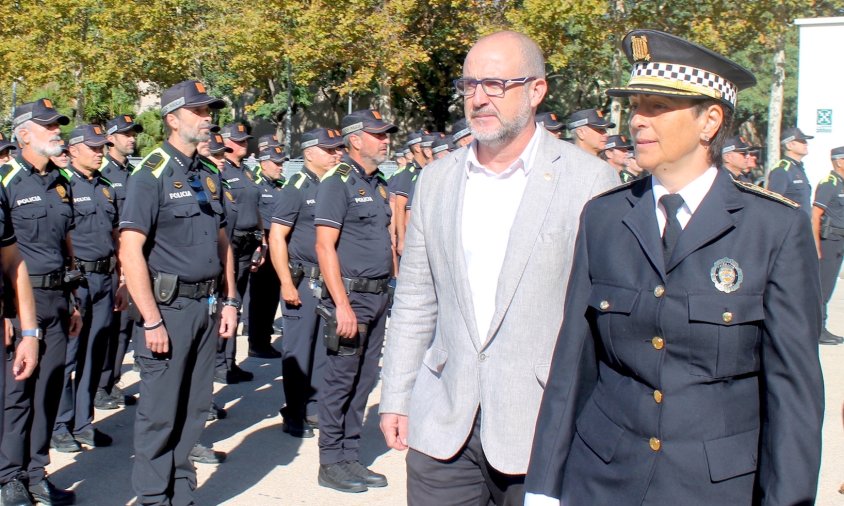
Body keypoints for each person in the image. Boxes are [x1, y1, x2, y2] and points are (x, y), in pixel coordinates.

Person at [525, 29, 823, 506]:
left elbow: (794, 394)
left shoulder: (773, 228)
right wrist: (543, 487)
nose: (638, 120)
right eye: (637, 105)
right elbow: (574, 365)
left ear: (710, 121)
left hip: (713, 488)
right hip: (603, 479)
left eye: (658, 107)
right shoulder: (604, 217)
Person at [379, 31, 617, 506]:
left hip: (540, 427)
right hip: (443, 422)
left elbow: (603, 317)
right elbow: (415, 298)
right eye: (469, 85)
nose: (478, 98)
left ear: (536, 90)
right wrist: (397, 396)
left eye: (494, 84)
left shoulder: (589, 181)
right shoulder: (438, 179)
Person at [119, 80, 238, 506]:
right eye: (200, 111)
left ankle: (181, 493)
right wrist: (150, 318)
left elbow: (222, 243)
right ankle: (153, 497)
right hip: (167, 311)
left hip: (206, 307)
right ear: (173, 119)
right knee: (160, 415)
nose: (209, 119)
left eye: (210, 111)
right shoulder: (150, 173)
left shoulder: (207, 174)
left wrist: (230, 300)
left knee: (193, 409)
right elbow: (130, 250)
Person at [0, 99, 82, 506]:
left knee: (48, 391)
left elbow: (65, 247)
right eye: (48, 125)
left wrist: (75, 301)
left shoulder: (62, 181)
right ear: (24, 134)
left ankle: (35, 473)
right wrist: (6, 312)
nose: (57, 131)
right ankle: (7, 478)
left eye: (58, 125)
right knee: (16, 395)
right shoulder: (7, 180)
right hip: (18, 304)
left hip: (56, 300)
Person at [314, 109, 396, 493]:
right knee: (340, 381)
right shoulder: (338, 182)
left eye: (387, 134)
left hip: (378, 297)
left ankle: (350, 455)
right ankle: (330, 461)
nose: (386, 140)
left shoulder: (379, 184)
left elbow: (387, 242)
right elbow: (324, 247)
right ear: (356, 140)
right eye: (379, 135)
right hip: (352, 300)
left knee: (364, 380)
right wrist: (341, 304)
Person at [52, 125, 121, 454]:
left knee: (95, 352)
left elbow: (118, 237)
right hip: (78, 282)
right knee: (69, 356)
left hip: (106, 280)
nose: (99, 152)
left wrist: (121, 279)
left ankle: (83, 422)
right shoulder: (61, 186)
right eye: (93, 147)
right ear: (74, 150)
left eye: (102, 147)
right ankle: (60, 425)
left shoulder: (107, 187)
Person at [271, 127, 342, 439]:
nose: (336, 154)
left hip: (327, 281)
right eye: (329, 149)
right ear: (310, 152)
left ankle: (313, 406)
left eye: (338, 148)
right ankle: (294, 412)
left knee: (323, 349)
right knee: (299, 349)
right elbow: (276, 237)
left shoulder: (333, 184)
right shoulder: (296, 186)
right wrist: (286, 282)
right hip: (302, 281)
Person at [99, 114, 144, 409]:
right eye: (126, 133)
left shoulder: (133, 173)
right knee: (109, 328)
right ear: (111, 138)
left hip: (131, 262)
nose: (132, 138)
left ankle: (111, 381)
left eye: (134, 133)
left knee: (125, 327)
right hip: (113, 262)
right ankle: (100, 386)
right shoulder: (103, 174)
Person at [246, 146, 287, 366]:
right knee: (260, 298)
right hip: (265, 246)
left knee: (271, 298)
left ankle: (264, 339)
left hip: (280, 246)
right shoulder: (256, 186)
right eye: (276, 163)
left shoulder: (282, 186)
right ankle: (257, 342)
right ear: (263, 164)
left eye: (282, 163)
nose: (281, 167)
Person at [812, 146, 844, 345]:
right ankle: (818, 329)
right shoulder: (829, 183)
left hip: (839, 241)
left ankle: (822, 327)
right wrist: (816, 247)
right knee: (823, 288)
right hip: (828, 242)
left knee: (830, 287)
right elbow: (815, 215)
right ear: (840, 162)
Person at [767, 127, 813, 214]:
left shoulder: (798, 168)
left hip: (801, 225)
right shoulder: (782, 170)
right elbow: (773, 204)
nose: (806, 144)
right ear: (789, 145)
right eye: (802, 141)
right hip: (789, 225)